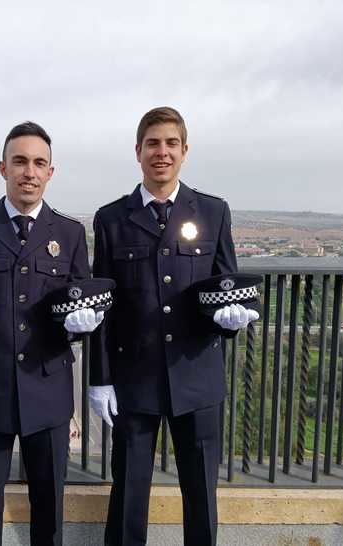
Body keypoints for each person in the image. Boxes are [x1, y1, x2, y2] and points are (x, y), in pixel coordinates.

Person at [90, 107, 259, 546]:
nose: (161, 152)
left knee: (201, 495)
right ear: (138, 152)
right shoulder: (111, 218)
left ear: (184, 151)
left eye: (170, 143)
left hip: (197, 377)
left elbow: (228, 288)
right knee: (128, 492)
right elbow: (102, 306)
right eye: (152, 143)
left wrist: (230, 322)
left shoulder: (213, 211)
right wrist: (100, 379)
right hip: (135, 380)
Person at [0, 121, 104, 546]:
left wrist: (82, 327)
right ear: (3, 168)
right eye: (20, 161)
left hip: (47, 391)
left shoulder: (68, 233)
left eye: (39, 163)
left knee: (49, 512)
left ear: (51, 172)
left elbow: (81, 303)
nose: (29, 171)